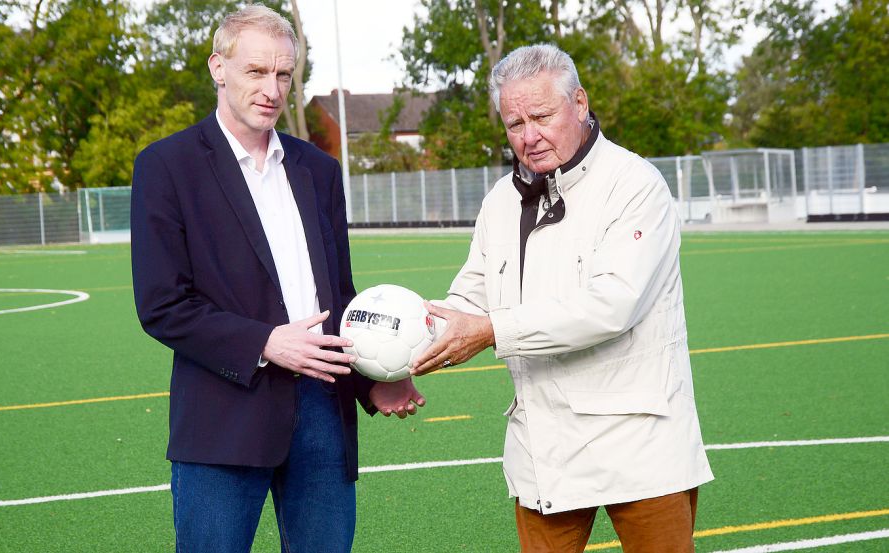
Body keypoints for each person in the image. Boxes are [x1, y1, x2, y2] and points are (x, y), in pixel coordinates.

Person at [130, 6, 424, 552]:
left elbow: (337, 295)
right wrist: (266, 342)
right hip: (225, 412)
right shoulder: (167, 166)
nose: (272, 88)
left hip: (322, 408)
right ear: (219, 68)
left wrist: (374, 375)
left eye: (284, 75)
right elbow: (162, 304)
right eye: (256, 72)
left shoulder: (319, 169)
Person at [412, 44, 713, 553]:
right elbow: (469, 293)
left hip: (638, 445)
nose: (529, 137)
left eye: (542, 116)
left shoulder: (635, 185)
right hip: (542, 449)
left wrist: (490, 331)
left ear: (579, 103)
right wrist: (403, 340)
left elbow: (610, 306)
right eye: (514, 123)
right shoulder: (500, 201)